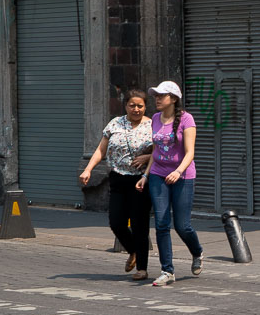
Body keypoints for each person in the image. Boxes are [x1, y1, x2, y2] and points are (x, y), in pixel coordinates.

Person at [79, 89, 154, 282]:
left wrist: (147, 156)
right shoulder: (115, 123)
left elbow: (160, 150)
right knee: (116, 222)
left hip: (140, 180)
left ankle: (142, 268)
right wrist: (88, 169)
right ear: (125, 105)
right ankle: (133, 251)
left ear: (145, 107)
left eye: (140, 106)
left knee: (140, 225)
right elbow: (100, 150)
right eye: (132, 105)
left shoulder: (153, 125)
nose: (136, 109)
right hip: (118, 179)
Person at [137, 81, 204, 286]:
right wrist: (146, 176)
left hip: (182, 176)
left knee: (182, 226)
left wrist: (178, 171)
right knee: (161, 223)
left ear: (173, 99)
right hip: (158, 175)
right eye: (155, 95)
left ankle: (197, 251)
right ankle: (167, 271)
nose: (157, 99)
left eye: (161, 95)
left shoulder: (187, 119)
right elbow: (156, 151)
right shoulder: (156, 118)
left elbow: (190, 152)